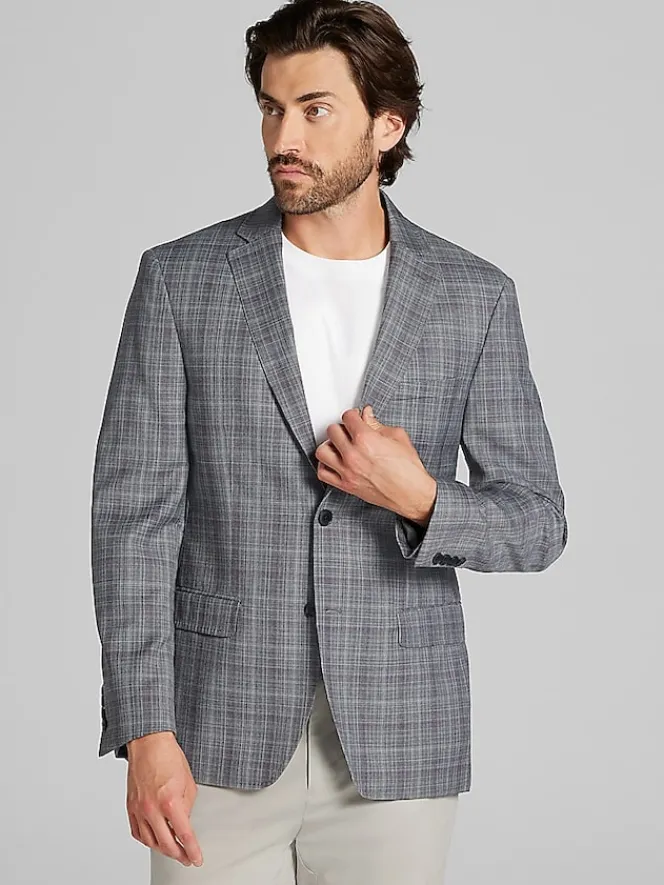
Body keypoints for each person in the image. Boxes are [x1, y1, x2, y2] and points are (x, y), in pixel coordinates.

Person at [91, 1, 568, 882]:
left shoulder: (473, 295)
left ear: (389, 124)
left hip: (397, 736)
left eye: (316, 110)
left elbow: (539, 522)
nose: (285, 137)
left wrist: (422, 497)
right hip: (214, 731)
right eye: (272, 109)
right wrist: (145, 726)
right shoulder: (181, 280)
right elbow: (133, 522)